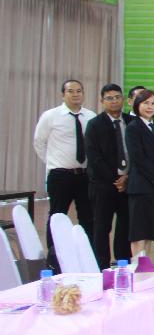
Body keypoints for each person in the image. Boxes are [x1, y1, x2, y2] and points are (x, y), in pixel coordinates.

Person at [33, 78, 96, 270]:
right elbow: (39, 142)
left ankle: (87, 255)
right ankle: (54, 257)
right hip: (60, 175)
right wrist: (54, 163)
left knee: (87, 216)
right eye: (71, 91)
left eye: (79, 91)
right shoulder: (51, 116)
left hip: (85, 175)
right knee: (57, 215)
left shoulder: (90, 116)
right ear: (63, 95)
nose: (75, 94)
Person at [85, 83, 131, 266]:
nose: (114, 101)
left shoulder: (131, 122)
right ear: (102, 101)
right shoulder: (94, 125)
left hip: (128, 183)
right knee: (102, 227)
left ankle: (123, 263)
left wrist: (127, 178)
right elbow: (94, 157)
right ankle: (101, 266)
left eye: (117, 97)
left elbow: (139, 153)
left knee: (125, 226)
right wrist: (116, 179)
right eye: (109, 98)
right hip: (103, 185)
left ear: (123, 99)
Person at [125, 90, 154, 260]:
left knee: (150, 231)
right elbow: (139, 159)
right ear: (137, 105)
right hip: (141, 187)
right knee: (139, 231)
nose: (150, 107)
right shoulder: (133, 127)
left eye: (153, 103)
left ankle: (146, 265)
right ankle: (137, 266)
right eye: (146, 103)